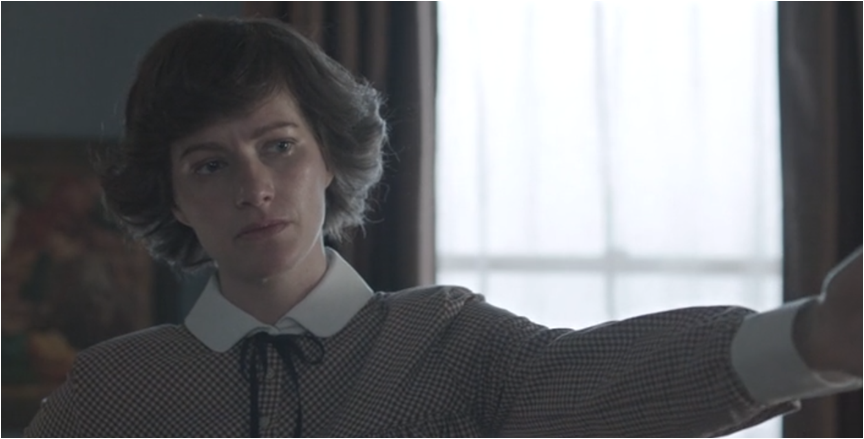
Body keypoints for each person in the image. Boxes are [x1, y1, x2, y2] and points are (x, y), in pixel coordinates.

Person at [25, 16, 862, 438]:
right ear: (173, 197)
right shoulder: (110, 392)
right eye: (211, 165)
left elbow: (611, 381)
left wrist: (815, 335)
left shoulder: (447, 340)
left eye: (278, 146)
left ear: (328, 157)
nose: (255, 188)